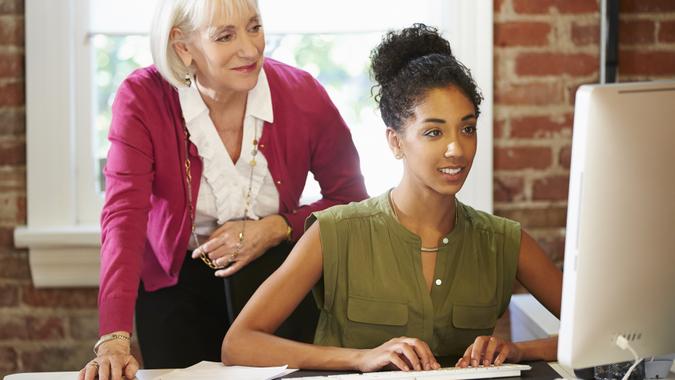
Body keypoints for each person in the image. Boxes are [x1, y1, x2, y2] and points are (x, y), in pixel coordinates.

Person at [221, 23, 563, 372]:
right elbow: (240, 343)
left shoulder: (504, 241)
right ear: (396, 142)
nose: (456, 149)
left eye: (468, 128)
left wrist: (519, 351)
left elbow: (610, 334)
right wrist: (361, 357)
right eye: (433, 132)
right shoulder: (335, 233)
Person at [79, 0, 368, 379]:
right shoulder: (142, 99)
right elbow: (123, 217)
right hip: (175, 282)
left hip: (276, 280)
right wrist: (114, 338)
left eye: (254, 27)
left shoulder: (303, 95)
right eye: (225, 36)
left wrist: (278, 227)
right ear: (183, 47)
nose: (250, 49)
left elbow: (351, 201)